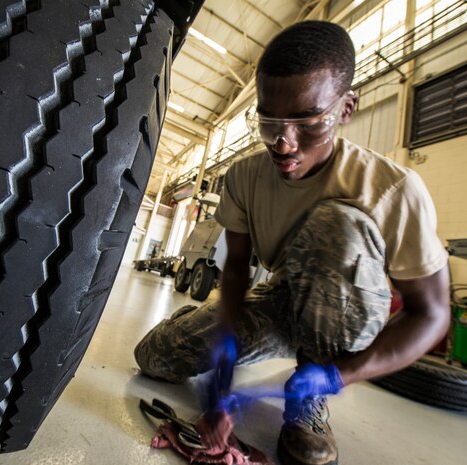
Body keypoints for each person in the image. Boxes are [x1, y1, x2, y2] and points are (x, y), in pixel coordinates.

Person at [134, 20, 450, 465]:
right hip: (282, 300)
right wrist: (222, 365)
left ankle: (308, 403)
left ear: (346, 109)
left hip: (344, 311)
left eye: (308, 122)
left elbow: (433, 315)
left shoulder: (391, 190)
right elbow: (238, 266)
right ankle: (213, 329)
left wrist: (339, 375)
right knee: (154, 357)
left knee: (337, 224)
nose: (283, 144)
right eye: (269, 123)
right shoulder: (244, 178)